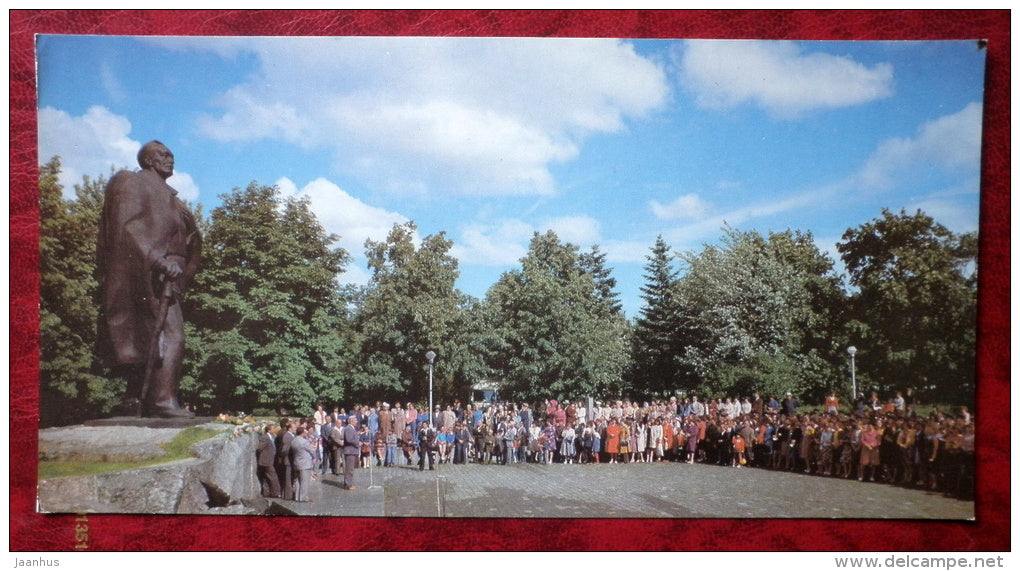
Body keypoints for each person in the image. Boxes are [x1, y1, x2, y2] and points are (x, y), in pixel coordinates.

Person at [96, 140, 201, 418]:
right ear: (149, 160)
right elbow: (126, 227)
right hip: (150, 272)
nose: (170, 159)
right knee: (172, 336)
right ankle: (162, 401)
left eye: (171, 154)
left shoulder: (171, 196)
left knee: (155, 339)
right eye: (163, 155)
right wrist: (158, 259)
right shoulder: (132, 182)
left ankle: (137, 400)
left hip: (172, 276)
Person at [290, 427, 315, 502]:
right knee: (304, 481)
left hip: (296, 462)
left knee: (297, 481)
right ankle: (303, 497)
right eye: (305, 432)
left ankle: (297, 496)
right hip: (305, 463)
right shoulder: (304, 442)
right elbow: (312, 450)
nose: (306, 433)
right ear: (302, 433)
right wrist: (314, 456)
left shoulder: (293, 441)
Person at [255, 424, 280, 498]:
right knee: (273, 476)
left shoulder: (271, 436)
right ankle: (276, 493)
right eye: (273, 429)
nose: (274, 430)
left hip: (270, 460)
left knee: (267, 477)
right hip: (266, 461)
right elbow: (259, 448)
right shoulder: (265, 437)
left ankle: (266, 492)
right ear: (269, 430)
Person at [340, 415, 360, 490]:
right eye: (355, 420)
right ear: (351, 421)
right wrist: (357, 443)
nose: (357, 422)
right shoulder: (348, 428)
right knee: (349, 469)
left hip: (352, 451)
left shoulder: (352, 428)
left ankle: (348, 483)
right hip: (349, 451)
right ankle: (348, 485)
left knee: (350, 468)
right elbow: (348, 439)